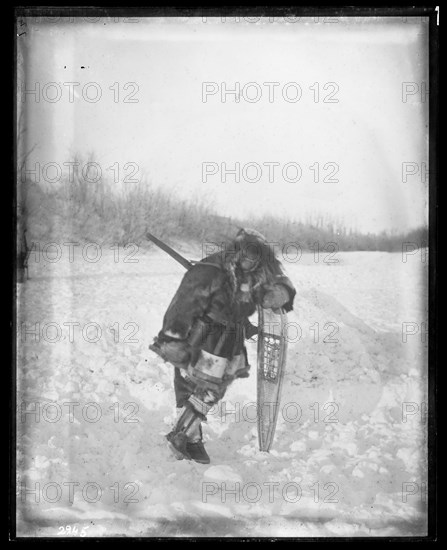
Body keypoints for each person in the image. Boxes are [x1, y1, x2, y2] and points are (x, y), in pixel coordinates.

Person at [150, 228, 296, 464]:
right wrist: (173, 340)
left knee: (211, 391)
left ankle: (185, 435)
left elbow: (276, 283)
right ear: (237, 250)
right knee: (192, 387)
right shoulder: (208, 271)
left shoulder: (254, 275)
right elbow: (181, 306)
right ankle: (188, 438)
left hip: (229, 339)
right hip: (202, 337)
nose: (250, 261)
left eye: (256, 257)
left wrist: (281, 291)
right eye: (247, 255)